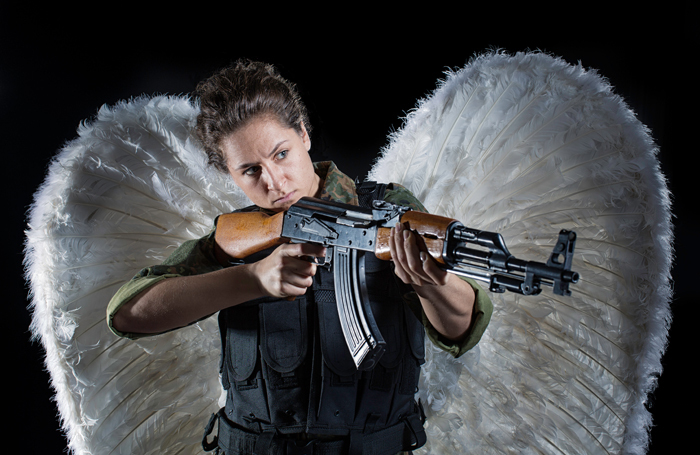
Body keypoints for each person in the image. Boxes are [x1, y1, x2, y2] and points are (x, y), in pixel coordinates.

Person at [106, 60, 493, 455]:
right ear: (229, 174)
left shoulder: (387, 210)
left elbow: (462, 330)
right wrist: (251, 279)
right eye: (250, 170)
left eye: (281, 154)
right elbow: (128, 313)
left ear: (304, 134)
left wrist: (432, 285)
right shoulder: (241, 236)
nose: (274, 182)